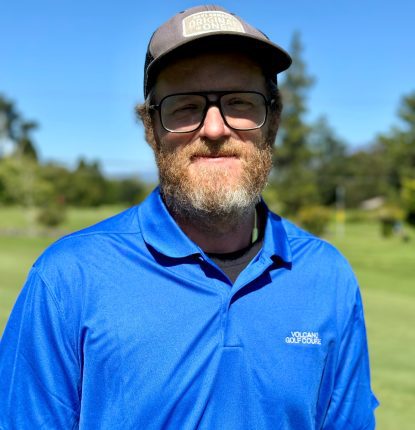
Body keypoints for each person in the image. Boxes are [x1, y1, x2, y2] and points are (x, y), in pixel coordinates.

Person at [0, 5, 378, 429]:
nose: (215, 129)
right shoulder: (67, 279)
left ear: (272, 122)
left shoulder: (327, 278)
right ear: (151, 129)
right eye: (185, 106)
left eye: (239, 102)